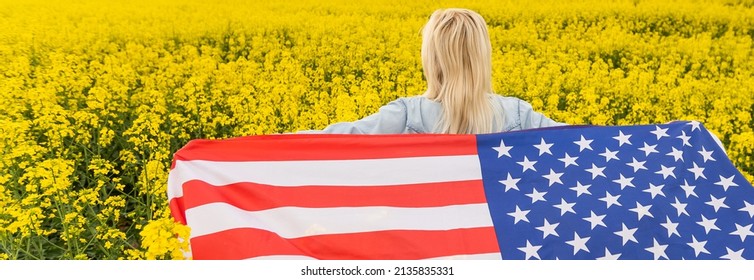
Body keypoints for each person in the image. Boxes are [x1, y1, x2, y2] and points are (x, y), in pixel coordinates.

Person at [299, 8, 565, 134]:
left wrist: (263, 145)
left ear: (432, 59)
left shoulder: (406, 116)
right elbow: (584, 140)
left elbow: (336, 140)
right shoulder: (518, 116)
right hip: (495, 241)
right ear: (482, 56)